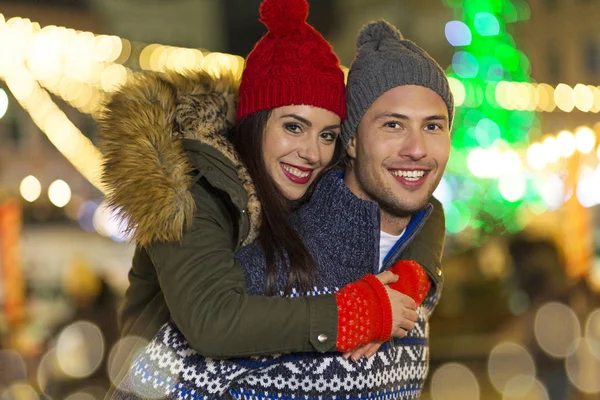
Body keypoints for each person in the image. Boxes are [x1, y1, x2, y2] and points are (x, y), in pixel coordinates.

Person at [109, 17, 452, 400]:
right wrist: (345, 316)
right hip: (152, 365)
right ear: (256, 123)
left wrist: (415, 271)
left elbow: (414, 200)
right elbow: (212, 322)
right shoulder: (192, 189)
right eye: (293, 126)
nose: (311, 152)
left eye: (327, 135)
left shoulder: (311, 182)